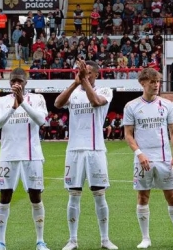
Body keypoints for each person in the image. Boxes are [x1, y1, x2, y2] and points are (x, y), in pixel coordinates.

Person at [54, 59, 118, 250]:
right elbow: (57, 103)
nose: (85, 75)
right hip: (73, 150)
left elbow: (96, 101)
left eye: (88, 72)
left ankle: (105, 239)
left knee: (99, 194)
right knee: (73, 195)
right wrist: (75, 82)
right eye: (83, 72)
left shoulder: (105, 91)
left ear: (96, 75)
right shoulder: (74, 92)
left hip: (95, 149)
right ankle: (72, 240)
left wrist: (85, 83)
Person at [123, 68, 173, 248]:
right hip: (143, 159)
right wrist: (139, 153)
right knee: (143, 197)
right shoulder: (131, 106)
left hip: (164, 159)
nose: (156, 84)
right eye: (152, 82)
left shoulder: (167, 105)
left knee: (172, 196)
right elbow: (128, 135)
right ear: (142, 83)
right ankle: (145, 238)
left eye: (157, 81)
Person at [0, 68, 50, 250]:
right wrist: (13, 107)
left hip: (32, 155)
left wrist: (22, 102)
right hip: (8, 155)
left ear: (26, 82)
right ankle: (1, 242)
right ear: (9, 83)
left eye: (20, 80)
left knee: (35, 195)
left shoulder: (37, 99)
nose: (17, 83)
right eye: (14, 80)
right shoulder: (1, 101)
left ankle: (40, 240)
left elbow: (41, 120)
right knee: (5, 195)